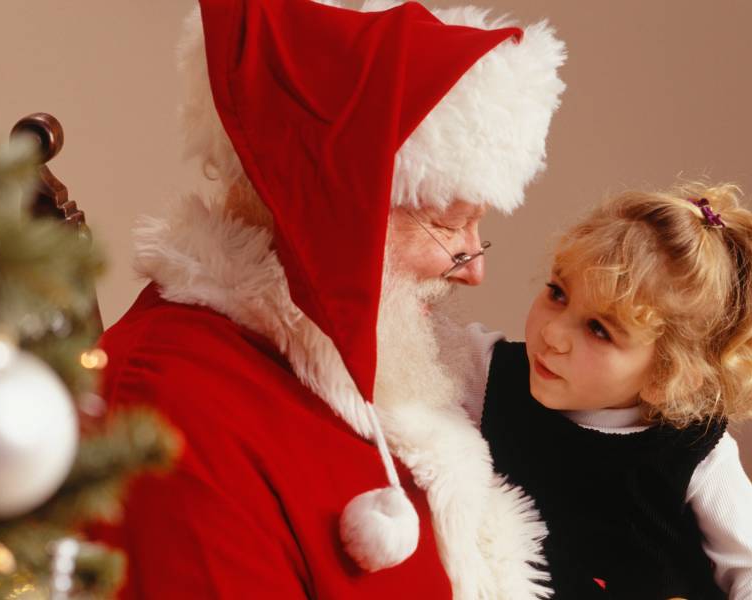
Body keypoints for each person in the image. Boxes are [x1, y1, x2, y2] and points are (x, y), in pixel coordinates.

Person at [89, 0, 566, 597]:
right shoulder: (172, 408)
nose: (474, 268)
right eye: (449, 224)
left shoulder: (379, 376)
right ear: (331, 213)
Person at [476, 182, 752, 598]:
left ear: (666, 376)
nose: (553, 333)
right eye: (558, 293)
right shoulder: (485, 370)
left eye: (599, 329)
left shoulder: (694, 450)